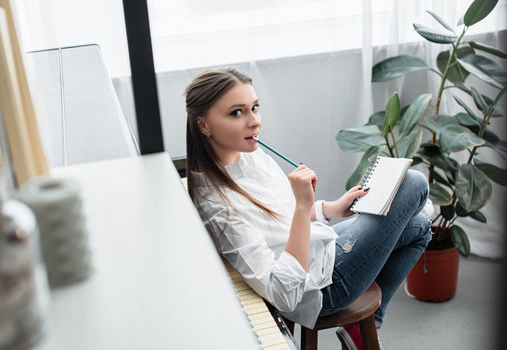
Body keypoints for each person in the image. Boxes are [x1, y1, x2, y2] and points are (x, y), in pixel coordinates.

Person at [185, 68, 432, 349]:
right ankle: (365, 331)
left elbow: (277, 219)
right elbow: (284, 294)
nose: (254, 122)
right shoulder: (218, 208)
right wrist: (303, 207)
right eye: (236, 113)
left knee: (420, 227)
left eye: (255, 108)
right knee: (413, 183)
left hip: (321, 251)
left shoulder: (248, 153)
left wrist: (329, 208)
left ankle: (363, 330)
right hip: (318, 288)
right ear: (203, 125)